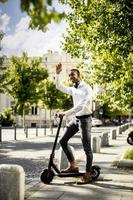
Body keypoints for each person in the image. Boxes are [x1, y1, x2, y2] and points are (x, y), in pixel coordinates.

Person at [55, 63, 93, 184]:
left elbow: (81, 106)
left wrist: (65, 113)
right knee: (62, 141)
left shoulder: (87, 88)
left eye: (73, 74)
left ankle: (88, 174)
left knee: (87, 148)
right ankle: (73, 166)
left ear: (79, 75)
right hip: (76, 119)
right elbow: (59, 87)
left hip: (85, 120)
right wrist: (57, 73)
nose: (71, 77)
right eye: (69, 75)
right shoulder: (73, 89)